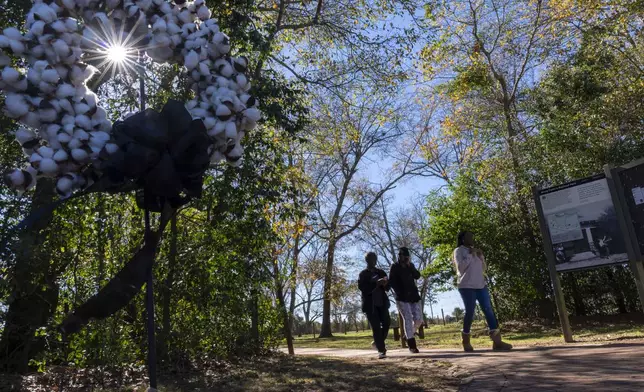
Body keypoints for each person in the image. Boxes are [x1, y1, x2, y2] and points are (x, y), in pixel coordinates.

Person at [453, 231, 512, 352]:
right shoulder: (459, 251)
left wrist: (481, 257)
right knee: (470, 311)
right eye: (469, 236)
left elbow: (484, 269)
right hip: (466, 286)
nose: (472, 238)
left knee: (488, 310)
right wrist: (470, 255)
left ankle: (497, 342)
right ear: (463, 239)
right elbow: (460, 268)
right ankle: (466, 341)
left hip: (481, 285)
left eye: (472, 236)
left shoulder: (475, 250)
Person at [389, 247, 423, 353]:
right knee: (408, 319)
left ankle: (408, 335)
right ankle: (411, 344)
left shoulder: (410, 266)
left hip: (413, 296)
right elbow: (392, 281)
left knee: (418, 320)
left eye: (406, 256)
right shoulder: (395, 267)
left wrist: (410, 266)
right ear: (399, 256)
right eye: (402, 255)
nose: (404, 257)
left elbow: (417, 276)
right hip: (402, 298)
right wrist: (398, 292)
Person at [358, 252, 391, 359]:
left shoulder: (380, 272)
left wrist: (385, 283)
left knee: (386, 324)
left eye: (374, 259)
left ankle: (377, 342)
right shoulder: (363, 274)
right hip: (370, 305)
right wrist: (376, 284)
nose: (373, 261)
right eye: (370, 259)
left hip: (382, 303)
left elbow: (388, 287)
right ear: (367, 261)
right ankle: (381, 350)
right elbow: (362, 288)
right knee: (376, 327)